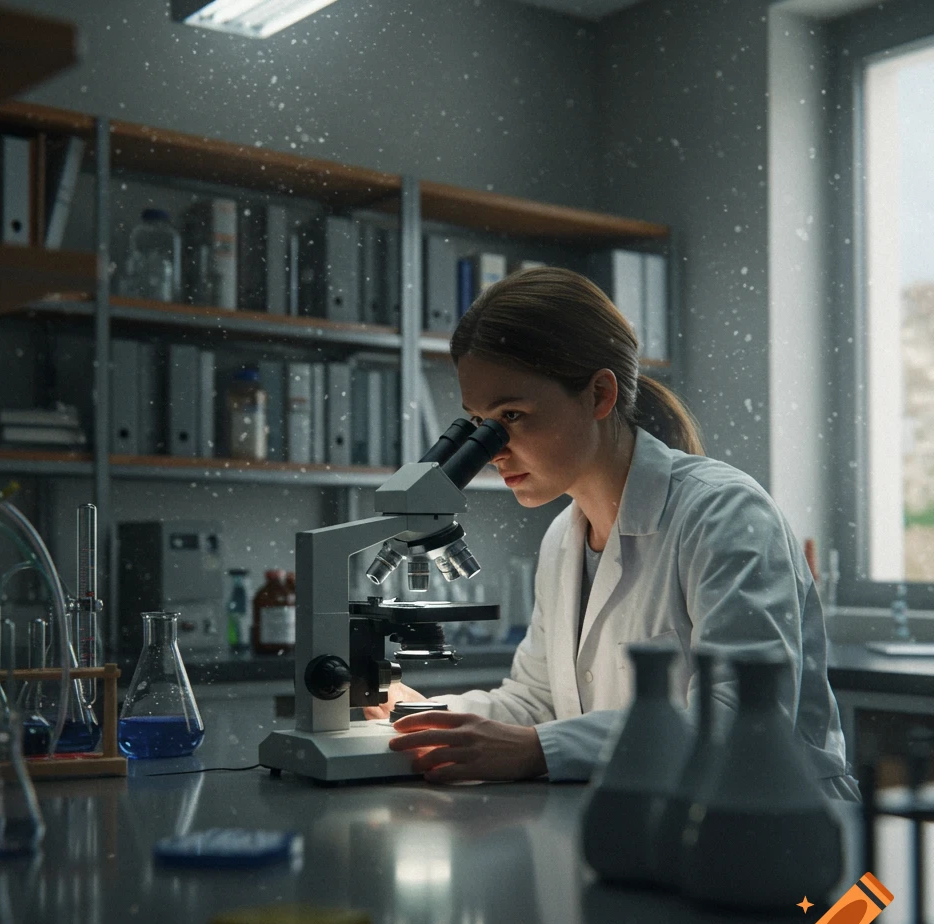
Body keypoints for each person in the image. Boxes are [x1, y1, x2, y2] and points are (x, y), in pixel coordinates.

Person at [365, 266, 859, 801]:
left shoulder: (723, 513)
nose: (493, 450)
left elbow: (741, 718)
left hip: (784, 838)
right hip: (646, 824)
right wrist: (418, 714)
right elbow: (537, 706)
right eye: (478, 424)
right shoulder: (564, 537)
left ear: (599, 394)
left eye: (512, 415)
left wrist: (537, 750)